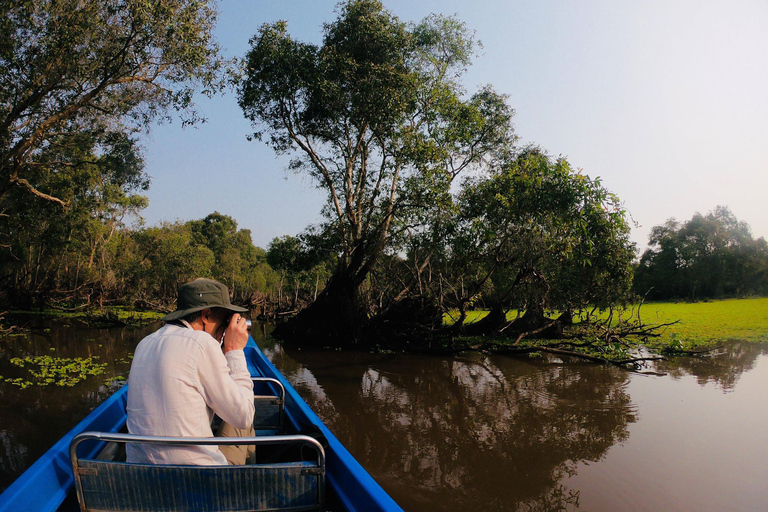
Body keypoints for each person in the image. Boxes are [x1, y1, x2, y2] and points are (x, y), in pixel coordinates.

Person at [126, 278, 255, 465]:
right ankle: (245, 484)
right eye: (225, 319)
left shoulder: (145, 343)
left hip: (141, 473)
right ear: (207, 315)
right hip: (196, 478)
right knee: (246, 419)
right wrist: (234, 351)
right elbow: (243, 416)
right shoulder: (202, 344)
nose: (227, 327)